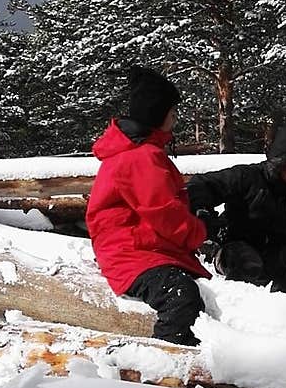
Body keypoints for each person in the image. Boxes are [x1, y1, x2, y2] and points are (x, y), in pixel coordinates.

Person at [87, 66, 218, 345]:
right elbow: (164, 213)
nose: (175, 117)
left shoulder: (143, 151)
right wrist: (201, 230)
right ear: (156, 114)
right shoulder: (141, 157)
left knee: (188, 291)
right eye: (172, 111)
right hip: (130, 252)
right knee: (180, 296)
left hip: (141, 246)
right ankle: (167, 363)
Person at [186, 118, 286, 296]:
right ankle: (248, 309)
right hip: (234, 246)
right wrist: (204, 216)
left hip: (274, 252)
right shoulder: (248, 177)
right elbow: (200, 186)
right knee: (248, 263)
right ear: (280, 160)